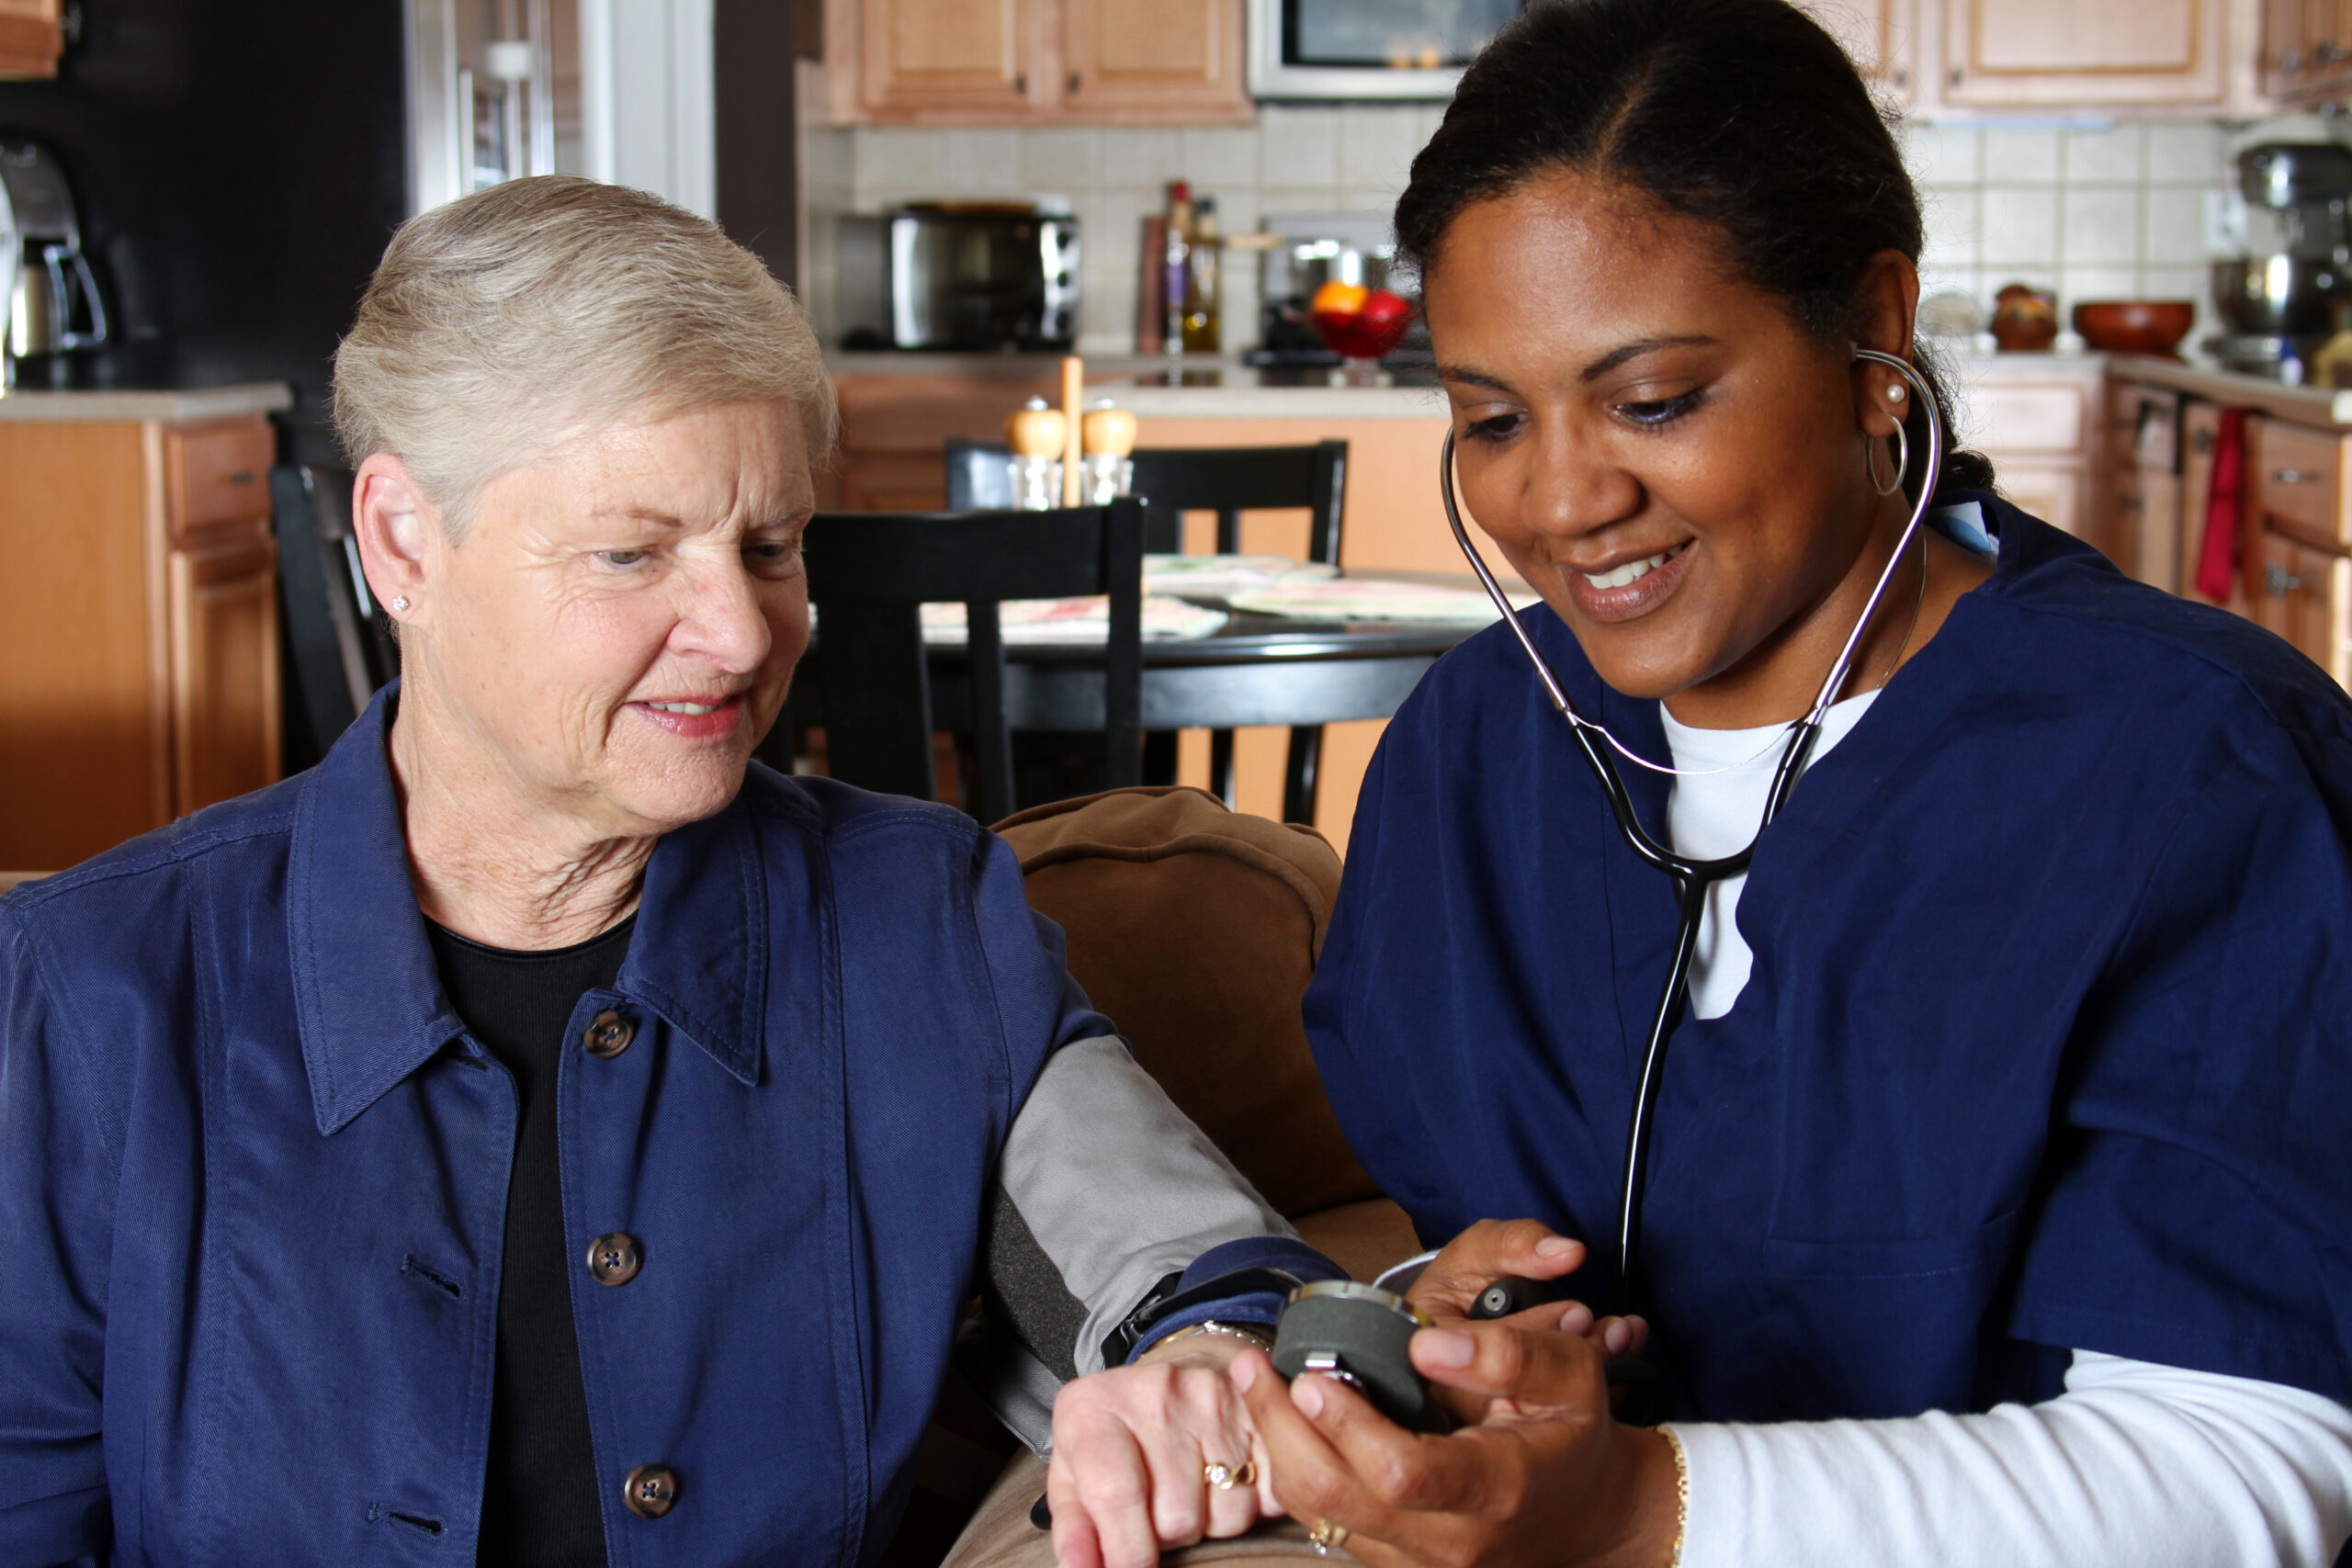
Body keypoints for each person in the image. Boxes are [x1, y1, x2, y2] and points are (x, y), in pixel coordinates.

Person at [1048, 3, 2352, 1565]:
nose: (1566, 498)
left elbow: (2256, 1461)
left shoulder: (2188, 764)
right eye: (1490, 420)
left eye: (1655, 399)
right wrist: (1443, 1331)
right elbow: (1471, 1252)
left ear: (1875, 337)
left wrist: (1628, 1515)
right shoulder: (1475, 754)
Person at [0, 175, 1339, 1567]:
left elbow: (1205, 1273)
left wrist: (1210, 1370)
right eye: (633, 553)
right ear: (403, 542)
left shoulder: (915, 922)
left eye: (771, 549)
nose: (745, 635)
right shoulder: (92, 987)